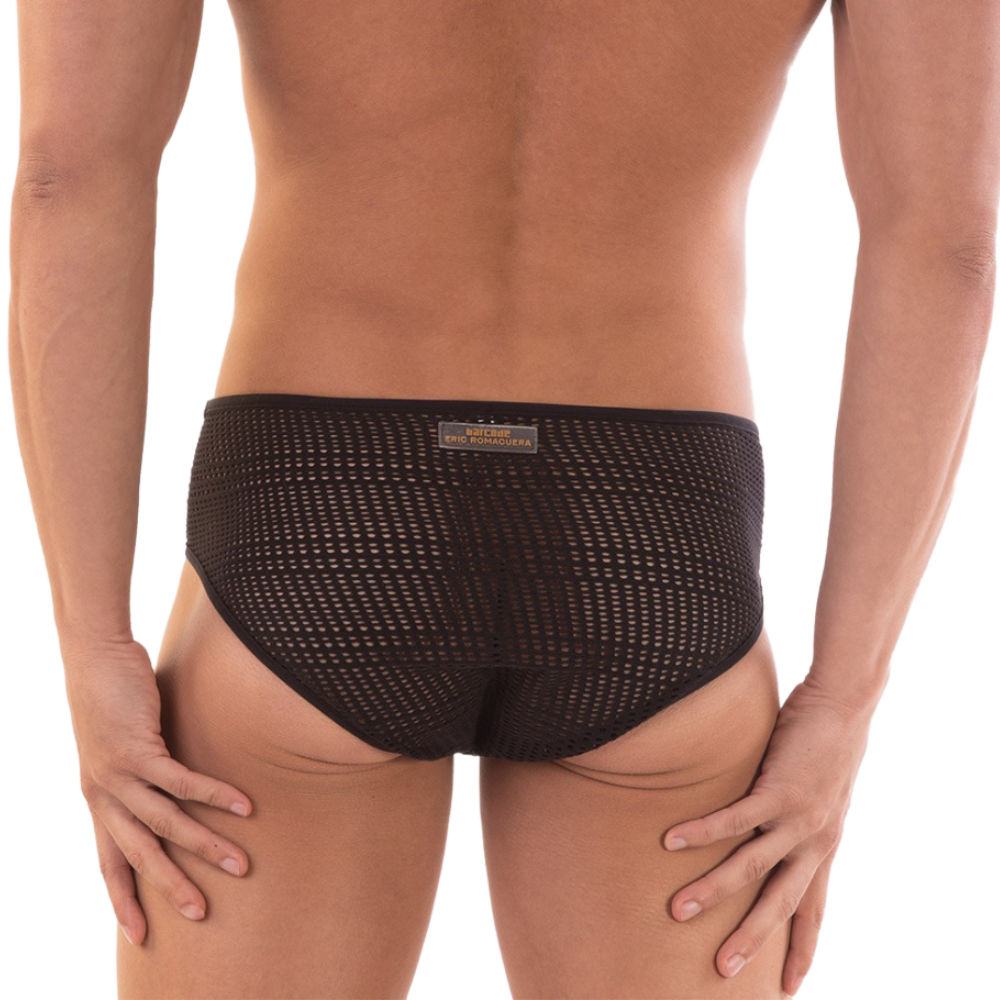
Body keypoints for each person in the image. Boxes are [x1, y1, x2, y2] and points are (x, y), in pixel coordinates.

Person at [8, 1, 997, 997]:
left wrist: (93, 641)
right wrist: (843, 692)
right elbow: (945, 242)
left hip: (319, 512)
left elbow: (68, 176)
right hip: (649, 534)